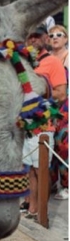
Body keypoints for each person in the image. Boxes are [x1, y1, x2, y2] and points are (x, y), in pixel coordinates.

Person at [21, 24, 67, 220]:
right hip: (24, 124)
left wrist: (37, 93)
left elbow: (61, 93)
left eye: (37, 36)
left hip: (43, 124)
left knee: (41, 169)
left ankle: (42, 212)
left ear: (45, 40)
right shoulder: (25, 63)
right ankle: (32, 206)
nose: (33, 39)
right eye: (30, 36)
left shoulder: (53, 63)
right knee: (29, 170)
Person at [48, 24, 68, 200]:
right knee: (49, 145)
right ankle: (52, 182)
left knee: (64, 146)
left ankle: (66, 185)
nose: (55, 37)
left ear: (66, 38)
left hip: (66, 108)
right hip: (49, 107)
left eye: (59, 34)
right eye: (52, 34)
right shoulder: (46, 58)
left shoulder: (68, 57)